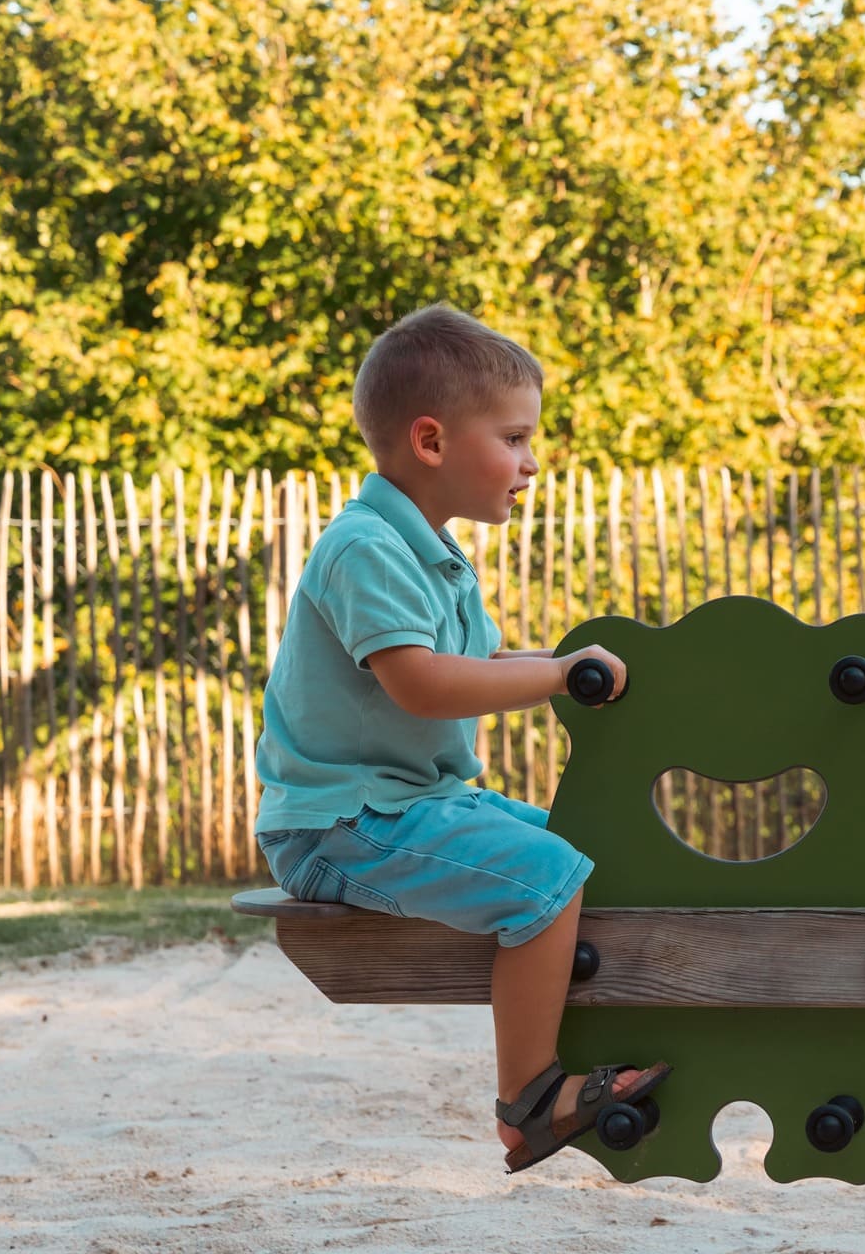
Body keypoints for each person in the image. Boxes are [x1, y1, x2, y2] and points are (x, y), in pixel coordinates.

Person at [253, 303, 666, 1173]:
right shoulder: (363, 548)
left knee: (581, 847)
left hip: (406, 806)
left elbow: (470, 660)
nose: (532, 461)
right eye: (514, 438)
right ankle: (530, 1100)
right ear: (432, 442)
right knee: (548, 879)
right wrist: (559, 675)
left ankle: (600, 1034)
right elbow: (426, 683)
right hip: (339, 823)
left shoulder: (430, 552)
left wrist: (563, 665)